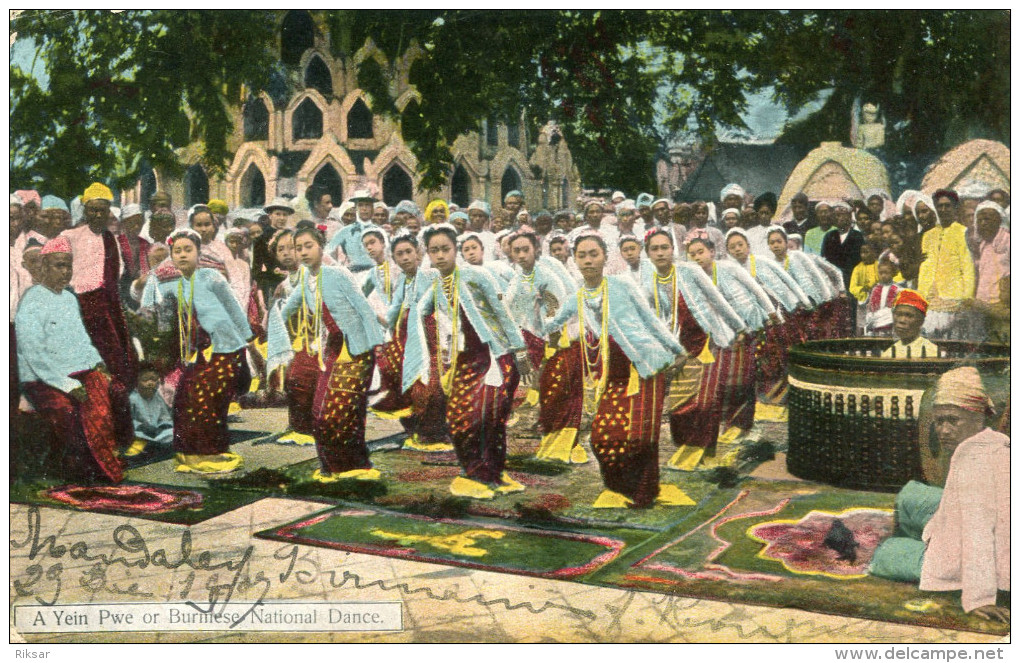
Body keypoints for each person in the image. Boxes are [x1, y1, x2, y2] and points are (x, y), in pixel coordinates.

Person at [542, 232, 690, 507]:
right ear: (574, 260)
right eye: (582, 256)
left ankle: (643, 492)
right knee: (601, 437)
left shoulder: (622, 285)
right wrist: (535, 316)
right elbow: (551, 323)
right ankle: (618, 488)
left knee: (639, 435)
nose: (588, 261)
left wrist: (677, 350)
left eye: (593, 254)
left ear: (605, 257)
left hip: (643, 368)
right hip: (612, 374)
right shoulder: (578, 296)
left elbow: (651, 319)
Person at [402, 224, 533, 499]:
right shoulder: (437, 283)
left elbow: (503, 314)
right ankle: (481, 473)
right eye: (434, 251)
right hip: (464, 361)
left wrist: (520, 354)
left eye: (445, 249)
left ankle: (488, 474)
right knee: (459, 417)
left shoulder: (477, 276)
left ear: (455, 250)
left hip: (493, 357)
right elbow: (420, 309)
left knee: (486, 418)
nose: (440, 256)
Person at [869, 368, 1009, 623]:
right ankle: (922, 533)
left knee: (884, 553)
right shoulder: (994, 442)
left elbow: (979, 536)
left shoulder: (974, 463)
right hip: (960, 527)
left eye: (952, 420)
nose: (943, 430)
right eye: (939, 421)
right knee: (910, 494)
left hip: (974, 559)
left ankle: (913, 541)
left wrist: (979, 598)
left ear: (978, 417)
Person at [269, 226, 385, 481]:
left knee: (343, 410)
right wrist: (271, 322)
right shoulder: (306, 281)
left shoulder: (338, 273)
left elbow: (364, 309)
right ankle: (334, 466)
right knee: (321, 410)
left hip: (357, 349)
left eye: (308, 246)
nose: (303, 252)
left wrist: (377, 345)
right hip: (332, 349)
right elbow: (285, 310)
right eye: (299, 248)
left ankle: (354, 466)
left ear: (321, 247)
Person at [139, 229, 256, 473]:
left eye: (187, 250)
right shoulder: (171, 285)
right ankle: (188, 453)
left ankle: (210, 452)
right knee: (185, 396)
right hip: (200, 352)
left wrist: (248, 340)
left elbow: (233, 308)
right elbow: (153, 306)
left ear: (198, 252)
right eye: (177, 251)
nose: (182, 255)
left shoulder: (211, 277)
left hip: (226, 348)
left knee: (209, 400)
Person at [16, 236, 130, 483]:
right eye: (58, 265)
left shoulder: (69, 298)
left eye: (68, 265)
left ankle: (102, 464)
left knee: (110, 390)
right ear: (44, 267)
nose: (65, 271)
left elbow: (82, 341)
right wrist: (68, 385)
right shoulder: (32, 300)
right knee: (67, 409)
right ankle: (75, 468)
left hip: (76, 371)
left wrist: (98, 364)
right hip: (41, 380)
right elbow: (35, 355)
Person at [642, 229, 746, 471]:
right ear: (648, 253)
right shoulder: (650, 282)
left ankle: (701, 452)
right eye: (654, 249)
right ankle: (687, 447)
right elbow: (655, 319)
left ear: (673, 250)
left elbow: (716, 299)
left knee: (705, 401)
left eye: (664, 247)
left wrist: (738, 327)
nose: (660, 253)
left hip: (707, 340)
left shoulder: (689, 271)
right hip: (678, 347)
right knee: (679, 404)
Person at [686, 231, 778, 438]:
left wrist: (771, 313)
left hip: (748, 324)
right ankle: (725, 421)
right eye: (692, 254)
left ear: (712, 252)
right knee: (722, 377)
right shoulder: (693, 279)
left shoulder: (729, 267)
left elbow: (755, 290)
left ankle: (741, 424)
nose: (697, 257)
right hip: (721, 332)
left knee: (744, 376)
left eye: (701, 252)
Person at [505, 229, 586, 464]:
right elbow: (511, 307)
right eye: (516, 251)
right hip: (536, 340)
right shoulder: (519, 277)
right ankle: (558, 445)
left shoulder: (547, 276)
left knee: (560, 393)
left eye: (525, 250)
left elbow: (555, 313)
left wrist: (550, 348)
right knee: (550, 395)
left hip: (561, 342)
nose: (521, 255)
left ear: (536, 250)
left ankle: (564, 446)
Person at [370, 233, 450, 451]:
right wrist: (387, 334)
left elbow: (445, 305)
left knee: (431, 384)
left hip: (431, 336)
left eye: (408, 252)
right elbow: (395, 309)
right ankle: (416, 431)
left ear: (419, 253)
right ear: (394, 260)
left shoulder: (432, 274)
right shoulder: (404, 280)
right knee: (402, 382)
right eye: (399, 255)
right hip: (405, 338)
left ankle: (433, 434)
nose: (405, 258)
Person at [60, 183, 139, 390]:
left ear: (108, 212)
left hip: (107, 304)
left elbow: (118, 270)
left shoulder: (110, 238)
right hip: (78, 303)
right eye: (92, 210)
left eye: (101, 211)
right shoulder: (70, 236)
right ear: (85, 210)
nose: (97, 215)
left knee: (115, 355)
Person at [725, 228, 812, 405]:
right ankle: (762, 395)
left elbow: (784, 283)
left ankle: (783, 395)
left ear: (748, 246)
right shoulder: (729, 270)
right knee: (757, 356)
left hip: (776, 314)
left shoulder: (762, 263)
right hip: (751, 319)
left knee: (778, 353)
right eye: (732, 247)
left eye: (740, 244)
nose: (737, 249)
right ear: (728, 251)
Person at [915, 193, 975, 340]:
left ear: (955, 208)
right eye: (940, 206)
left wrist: (966, 297)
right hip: (929, 295)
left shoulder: (963, 232)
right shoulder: (928, 235)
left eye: (947, 205)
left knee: (951, 341)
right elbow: (925, 266)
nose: (943, 209)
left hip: (953, 297)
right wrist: (921, 292)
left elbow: (967, 267)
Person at [967, 201, 1009, 340]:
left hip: (1002, 307)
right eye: (979, 220)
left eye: (988, 219)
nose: (983, 223)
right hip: (983, 306)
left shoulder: (1009, 242)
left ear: (999, 221)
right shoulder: (984, 244)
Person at [325, 189, 380, 280]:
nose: (364, 209)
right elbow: (327, 252)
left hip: (375, 275)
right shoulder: (345, 231)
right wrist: (337, 267)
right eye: (361, 205)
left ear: (372, 208)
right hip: (353, 275)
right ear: (356, 208)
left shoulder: (379, 231)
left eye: (367, 205)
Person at [125, 363, 174, 458]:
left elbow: (164, 416)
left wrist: (164, 425)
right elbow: (128, 421)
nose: (150, 383)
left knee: (172, 434)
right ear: (137, 382)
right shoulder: (132, 398)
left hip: (157, 432)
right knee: (138, 443)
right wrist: (142, 427)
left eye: (154, 380)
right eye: (145, 380)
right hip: (141, 433)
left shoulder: (157, 397)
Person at [252, 197, 294, 301]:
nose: (282, 218)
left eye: (285, 215)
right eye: (278, 214)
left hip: (291, 281)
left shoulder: (291, 235)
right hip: (271, 284)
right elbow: (257, 267)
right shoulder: (261, 238)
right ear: (270, 215)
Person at [880, 289, 939, 358]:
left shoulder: (932, 352)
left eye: (909, 316)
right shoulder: (888, 353)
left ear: (921, 321)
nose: (902, 320)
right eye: (898, 314)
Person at [863, 257, 901, 337]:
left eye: (886, 273)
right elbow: (872, 303)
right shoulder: (876, 288)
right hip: (876, 316)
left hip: (889, 318)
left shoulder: (896, 288)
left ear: (892, 273)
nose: (883, 275)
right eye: (881, 273)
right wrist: (871, 313)